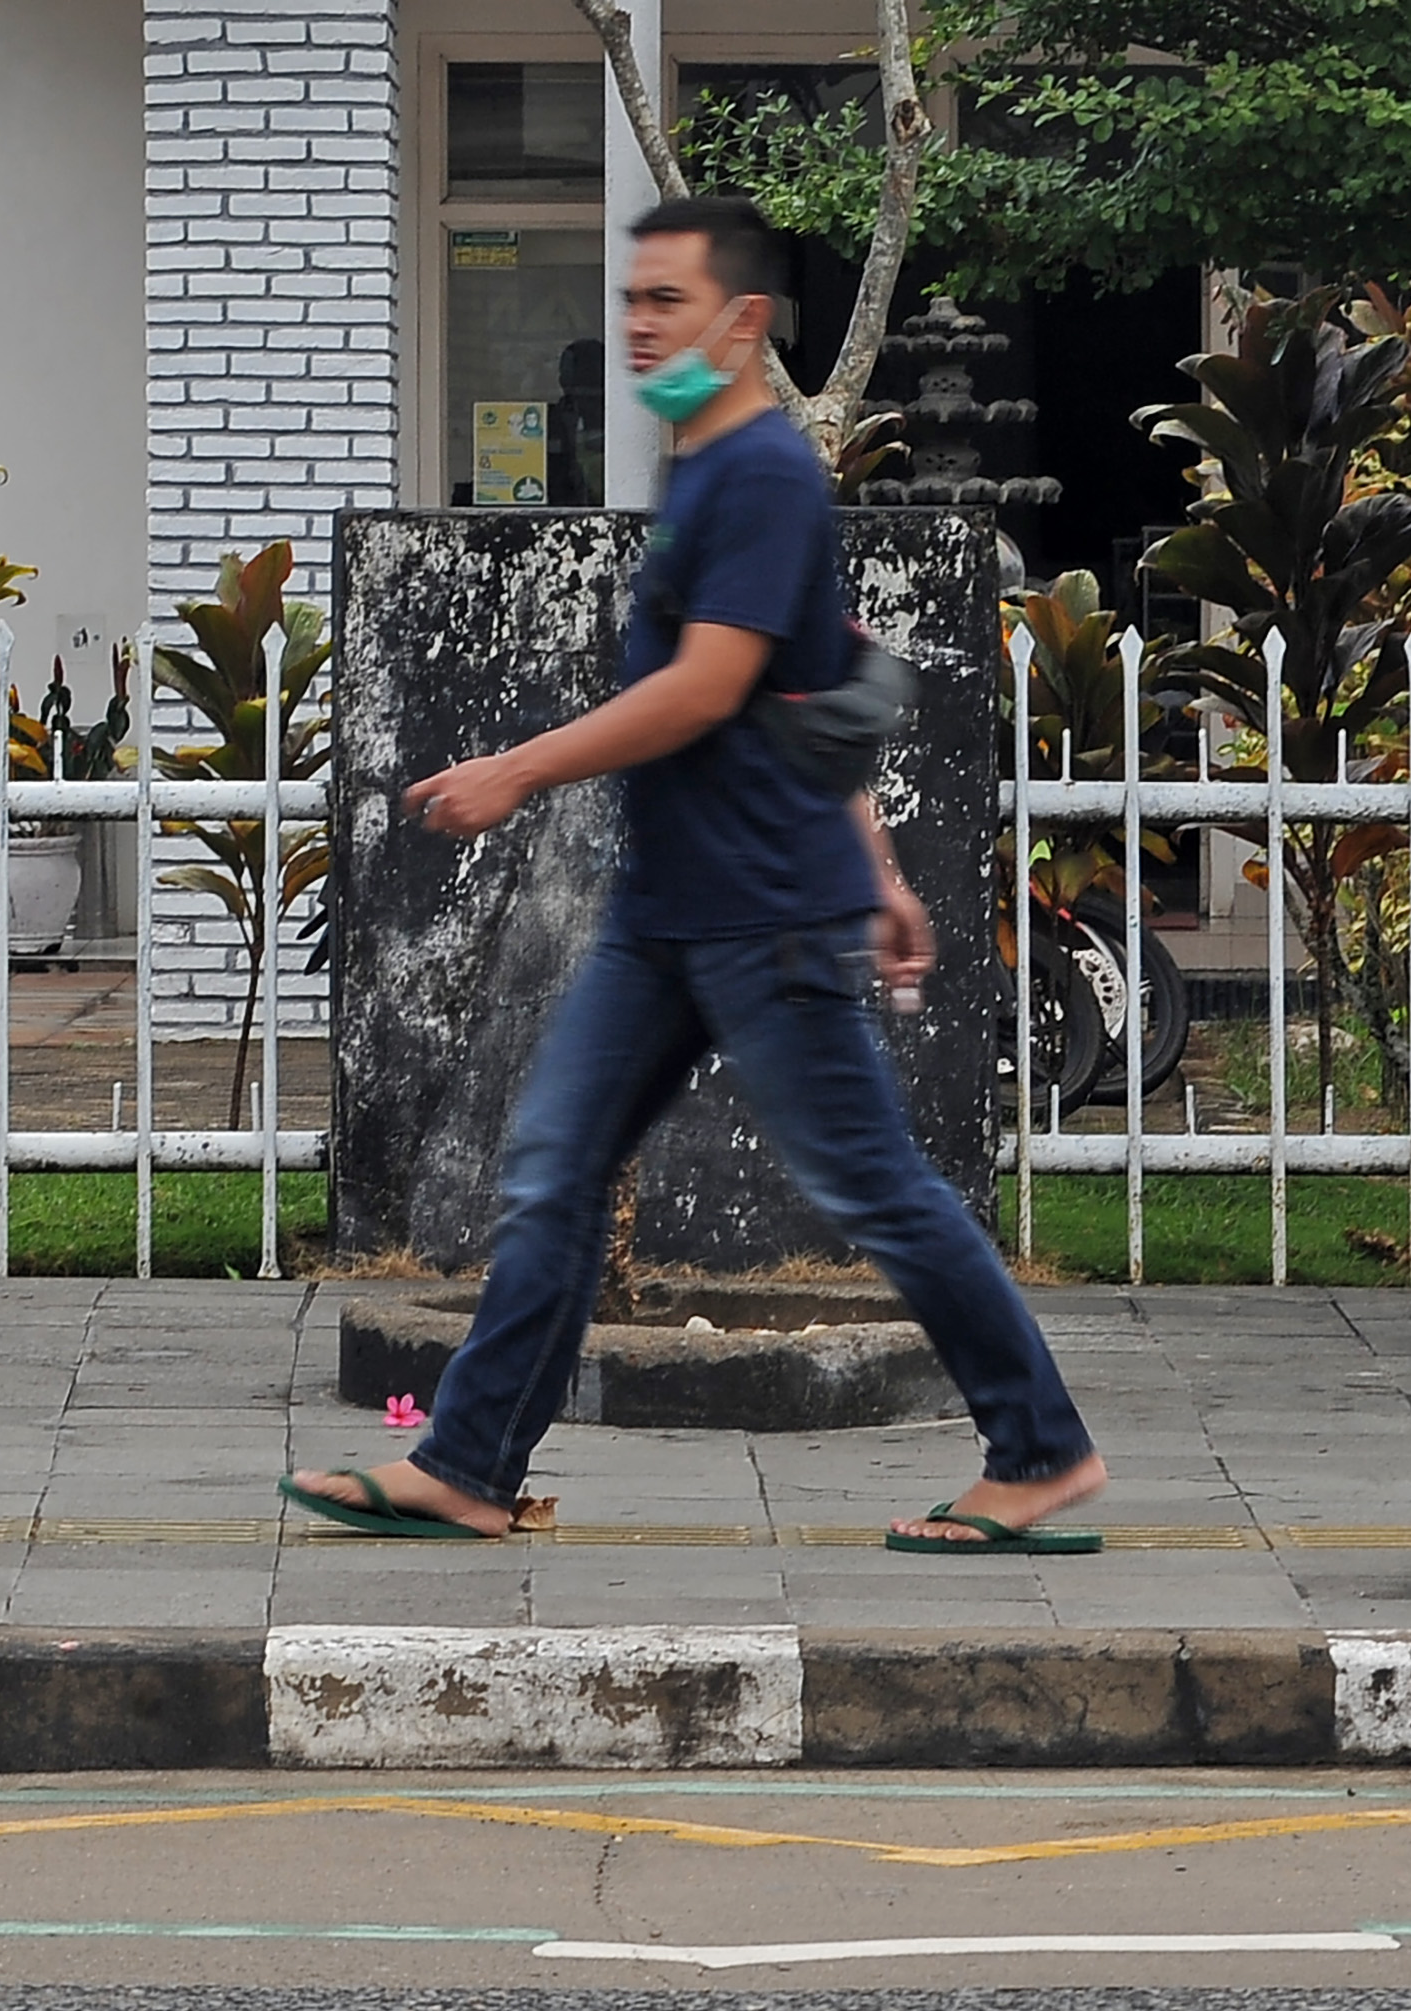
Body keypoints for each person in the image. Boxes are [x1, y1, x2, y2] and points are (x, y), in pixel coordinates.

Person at [283, 196, 1106, 1554]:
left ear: (743, 325)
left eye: (664, 302)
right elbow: (820, 683)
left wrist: (521, 770)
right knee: (556, 1167)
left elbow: (715, 686)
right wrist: (887, 863)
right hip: (669, 913)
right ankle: (471, 1463)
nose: (638, 325)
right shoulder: (708, 478)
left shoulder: (767, 476)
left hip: (763, 915)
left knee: (874, 1186)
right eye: (632, 301)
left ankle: (1042, 1452)